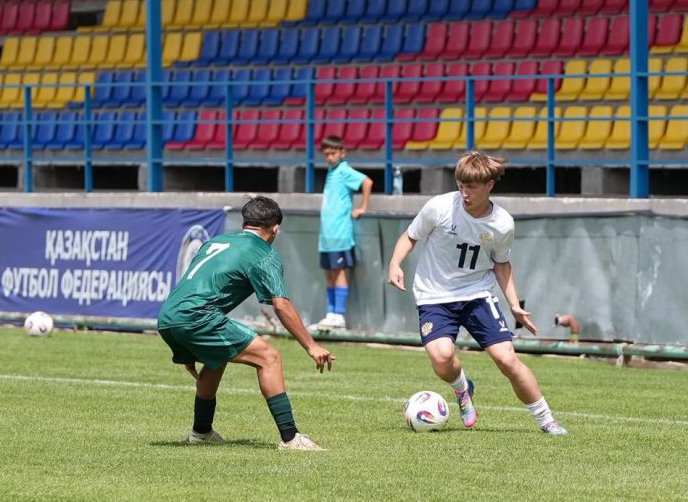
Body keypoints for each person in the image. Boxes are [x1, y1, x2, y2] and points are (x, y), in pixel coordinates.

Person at [387, 151, 567, 435]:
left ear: (489, 185)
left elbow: (501, 263)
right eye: (460, 185)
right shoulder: (439, 207)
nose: (464, 193)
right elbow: (410, 236)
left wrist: (514, 304)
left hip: (477, 293)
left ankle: (547, 420)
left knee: (506, 359)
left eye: (471, 187)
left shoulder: (502, 223)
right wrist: (395, 264)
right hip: (434, 295)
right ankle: (462, 389)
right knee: (442, 358)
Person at [157, 196, 337, 451]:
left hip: (168, 315)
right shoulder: (264, 253)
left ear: (245, 223)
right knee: (269, 357)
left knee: (216, 359)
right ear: (275, 228)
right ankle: (291, 438)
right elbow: (281, 305)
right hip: (197, 316)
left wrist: (188, 344)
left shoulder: (216, 241)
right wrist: (311, 345)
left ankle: (201, 432)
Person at [310, 135, 373, 332]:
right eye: (326, 154)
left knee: (339, 273)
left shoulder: (344, 170)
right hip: (326, 236)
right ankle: (330, 314)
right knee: (329, 274)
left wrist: (362, 207)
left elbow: (367, 182)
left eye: (333, 153)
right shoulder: (332, 171)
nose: (329, 157)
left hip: (340, 233)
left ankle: (339, 315)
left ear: (342, 153)